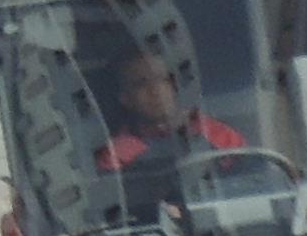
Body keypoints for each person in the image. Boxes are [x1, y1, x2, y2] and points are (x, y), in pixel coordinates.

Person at [94, 33, 246, 175]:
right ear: (125, 98)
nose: (155, 91)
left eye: (162, 79)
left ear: (174, 86)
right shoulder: (115, 155)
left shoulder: (218, 135)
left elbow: (247, 181)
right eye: (141, 84)